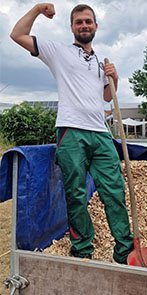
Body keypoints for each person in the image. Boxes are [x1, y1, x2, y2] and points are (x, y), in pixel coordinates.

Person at [10, 3, 134, 264]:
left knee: (114, 191)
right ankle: (82, 249)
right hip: (71, 132)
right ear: (72, 27)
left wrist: (115, 78)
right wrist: (36, 10)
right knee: (75, 194)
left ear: (96, 26)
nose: (84, 26)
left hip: (100, 133)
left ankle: (125, 251)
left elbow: (107, 97)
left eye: (88, 21)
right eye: (79, 22)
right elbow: (17, 35)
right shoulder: (58, 52)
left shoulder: (103, 61)